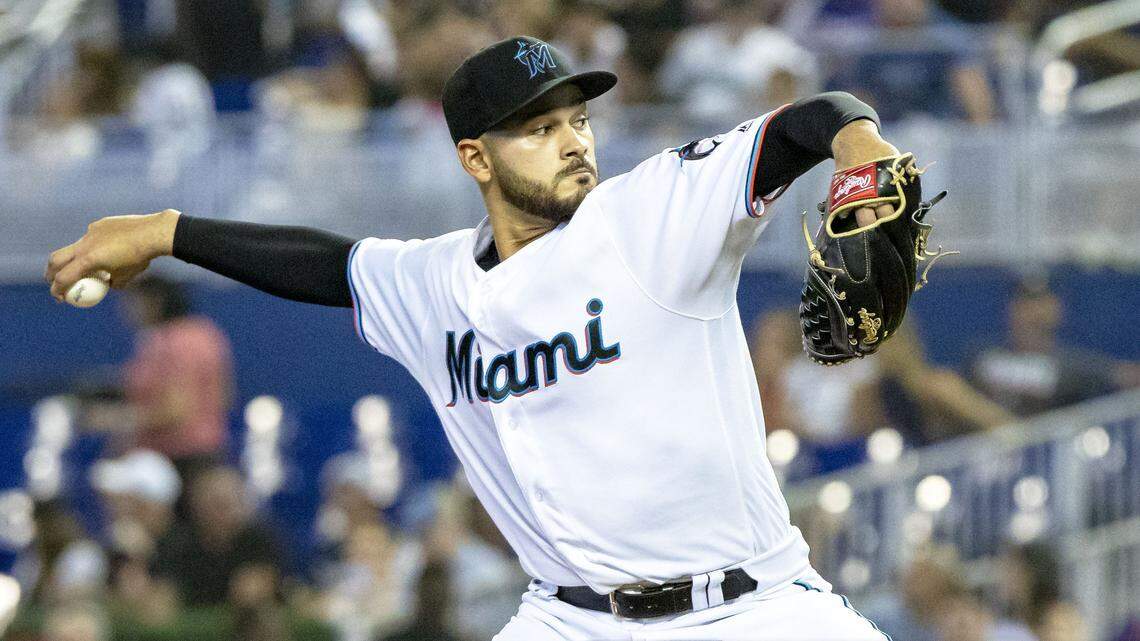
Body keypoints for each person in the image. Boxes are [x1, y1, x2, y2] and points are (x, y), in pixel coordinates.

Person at [48, 36, 918, 639]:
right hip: (570, 617)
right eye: (539, 129)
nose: (574, 142)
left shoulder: (649, 213)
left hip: (753, 607)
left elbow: (814, 118)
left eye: (577, 119)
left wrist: (861, 146)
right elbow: (322, 265)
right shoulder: (431, 284)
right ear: (476, 159)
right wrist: (165, 229)